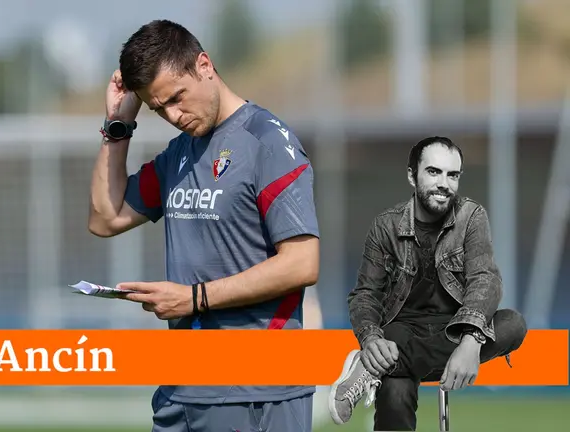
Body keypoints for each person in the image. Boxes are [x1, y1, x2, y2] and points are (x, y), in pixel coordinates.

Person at [87, 19, 320, 432]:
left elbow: (302, 264)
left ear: (205, 65)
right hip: (182, 389)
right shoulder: (182, 151)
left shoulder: (267, 142)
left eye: (177, 98)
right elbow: (106, 218)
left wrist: (194, 298)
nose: (173, 116)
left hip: (256, 393)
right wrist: (117, 127)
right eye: (159, 109)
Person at [327, 136, 528, 431]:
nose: (444, 183)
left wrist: (471, 340)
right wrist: (370, 340)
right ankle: (381, 363)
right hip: (402, 331)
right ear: (412, 176)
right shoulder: (386, 226)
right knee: (393, 381)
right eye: (434, 172)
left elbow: (484, 279)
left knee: (513, 324)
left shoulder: (471, 217)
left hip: (455, 332)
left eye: (452, 175)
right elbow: (366, 294)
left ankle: (371, 370)